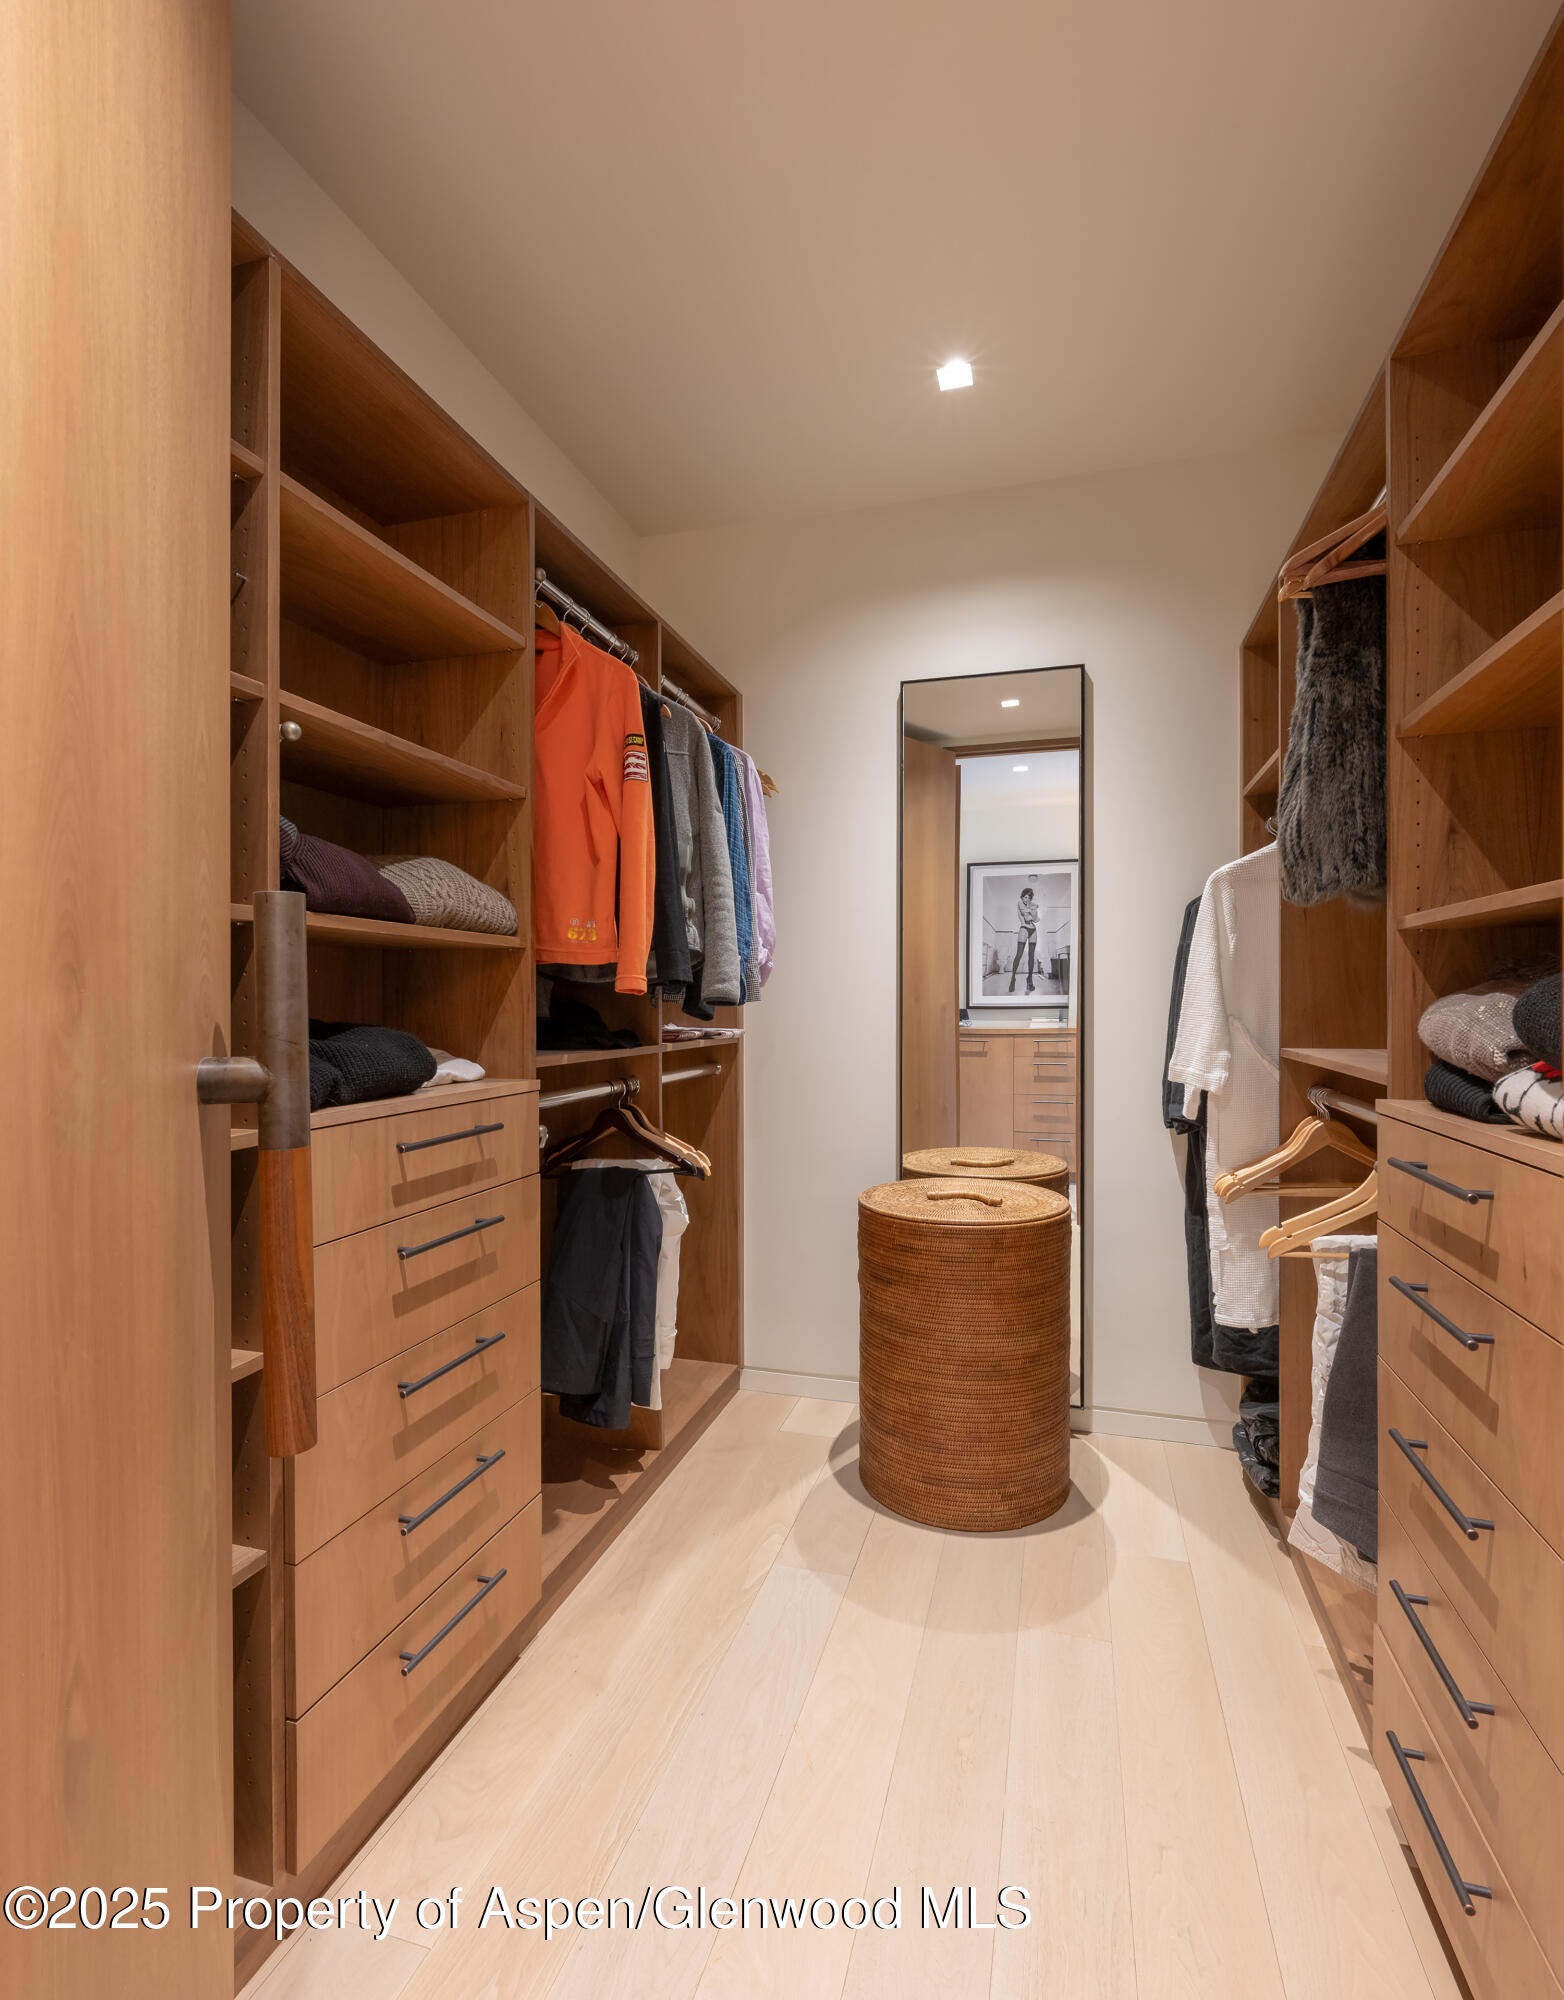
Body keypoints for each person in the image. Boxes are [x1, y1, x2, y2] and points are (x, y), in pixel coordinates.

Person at [1008, 885, 1038, 993]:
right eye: (1025, 897)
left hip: (1033, 930)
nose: (1027, 899)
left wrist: (1033, 910)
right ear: (1022, 897)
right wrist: (1032, 908)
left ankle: (1029, 979)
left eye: (1029, 898)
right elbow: (1026, 917)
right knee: (1019, 954)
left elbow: (1035, 919)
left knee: (1031, 955)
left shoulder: (1031, 905)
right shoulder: (1020, 903)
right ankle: (1013, 978)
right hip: (1024, 928)